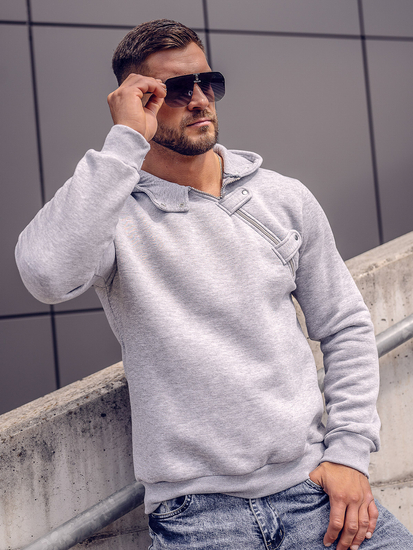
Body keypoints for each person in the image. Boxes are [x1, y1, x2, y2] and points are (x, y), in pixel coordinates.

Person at [15, 19, 413, 550]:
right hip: (197, 517)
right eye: (178, 89)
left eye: (209, 82)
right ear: (139, 100)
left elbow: (345, 326)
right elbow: (45, 275)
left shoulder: (282, 198)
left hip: (314, 491)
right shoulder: (114, 216)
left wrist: (349, 455)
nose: (200, 99)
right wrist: (123, 143)